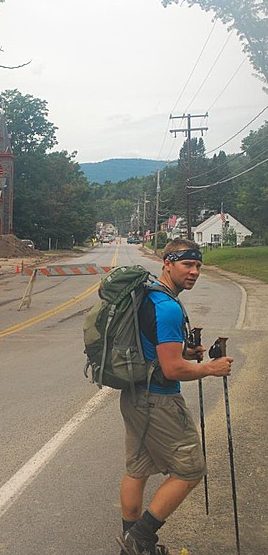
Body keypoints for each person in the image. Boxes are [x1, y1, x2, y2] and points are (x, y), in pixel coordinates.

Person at [117, 238, 234, 555]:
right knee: (190, 470)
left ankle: (132, 543)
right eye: (187, 264)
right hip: (159, 401)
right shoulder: (167, 307)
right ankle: (141, 538)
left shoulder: (150, 295)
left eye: (198, 265)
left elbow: (154, 347)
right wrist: (211, 368)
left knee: (137, 469)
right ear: (167, 262)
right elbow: (171, 370)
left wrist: (186, 351)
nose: (194, 271)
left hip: (135, 395)